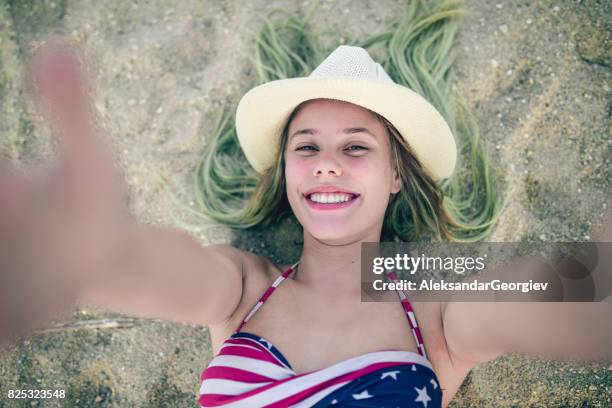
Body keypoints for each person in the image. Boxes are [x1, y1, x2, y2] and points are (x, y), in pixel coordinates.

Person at [1, 25, 610, 408]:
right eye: (307, 147)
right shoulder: (244, 288)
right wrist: (88, 257)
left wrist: (593, 293)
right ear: (287, 173)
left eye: (355, 147)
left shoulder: (436, 306)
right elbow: (157, 270)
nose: (326, 165)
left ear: (396, 176)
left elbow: (547, 299)